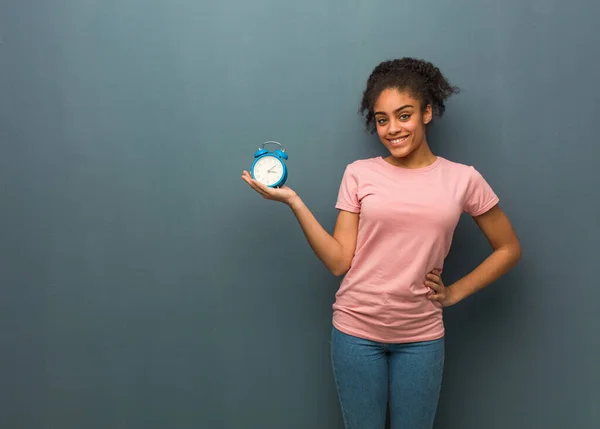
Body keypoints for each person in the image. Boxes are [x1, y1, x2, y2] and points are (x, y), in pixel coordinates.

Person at [241, 57, 521, 429]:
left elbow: (508, 248)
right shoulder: (359, 174)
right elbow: (340, 261)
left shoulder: (462, 179)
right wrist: (294, 202)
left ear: (426, 113)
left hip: (421, 336)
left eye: (403, 115)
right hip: (356, 332)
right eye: (382, 119)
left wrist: (453, 292)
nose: (392, 129)